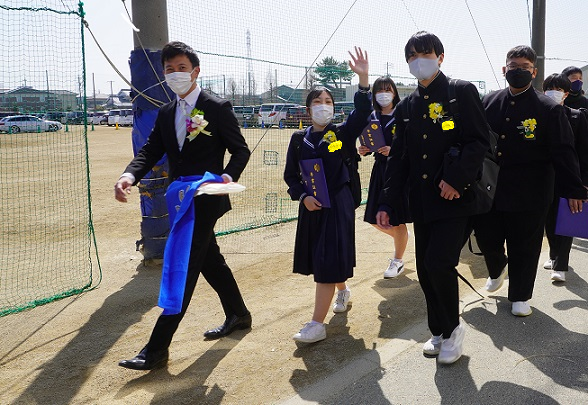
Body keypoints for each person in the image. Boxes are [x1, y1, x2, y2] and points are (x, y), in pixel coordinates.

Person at [114, 41, 251, 370]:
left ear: (195, 71)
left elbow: (240, 150)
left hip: (205, 199)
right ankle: (239, 314)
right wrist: (128, 176)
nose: (176, 74)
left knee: (184, 266)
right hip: (179, 200)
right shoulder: (166, 113)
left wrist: (225, 178)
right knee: (210, 260)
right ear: (164, 74)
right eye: (169, 69)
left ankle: (156, 349)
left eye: (181, 68)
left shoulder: (216, 107)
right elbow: (150, 151)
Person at [376, 31, 490, 364]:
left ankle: (453, 330)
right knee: (426, 270)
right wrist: (387, 202)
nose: (418, 61)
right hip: (423, 201)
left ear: (440, 57)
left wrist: (456, 179)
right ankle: (438, 330)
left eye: (424, 53)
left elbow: (478, 141)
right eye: (411, 56)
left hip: (455, 198)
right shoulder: (407, 105)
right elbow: (399, 157)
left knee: (439, 262)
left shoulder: (460, 92)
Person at [473, 46, 587, 318]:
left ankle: (521, 295)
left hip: (531, 190)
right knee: (486, 236)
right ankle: (497, 267)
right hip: (491, 188)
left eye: (524, 67)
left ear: (534, 72)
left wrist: (575, 189)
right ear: (504, 69)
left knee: (524, 245)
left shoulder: (549, 108)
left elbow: (563, 151)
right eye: (513, 66)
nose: (518, 71)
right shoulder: (489, 102)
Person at [283, 47, 372, 343]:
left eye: (328, 102)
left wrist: (363, 81)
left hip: (338, 203)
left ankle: (316, 324)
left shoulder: (342, 134)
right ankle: (342, 290)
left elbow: (362, 114)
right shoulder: (299, 140)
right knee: (324, 257)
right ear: (308, 110)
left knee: (326, 259)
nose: (324, 106)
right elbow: (290, 176)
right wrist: (302, 197)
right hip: (312, 206)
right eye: (317, 102)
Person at [357, 76, 410, 279]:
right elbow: (370, 143)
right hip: (379, 170)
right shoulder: (372, 117)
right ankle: (401, 237)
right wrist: (363, 150)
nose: (384, 94)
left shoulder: (403, 114)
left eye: (388, 90)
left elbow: (412, 143)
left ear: (394, 93)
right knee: (373, 218)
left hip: (398, 171)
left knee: (396, 219)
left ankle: (398, 260)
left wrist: (393, 150)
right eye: (379, 90)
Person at [542, 73, 588, 282]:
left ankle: (561, 265)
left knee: (567, 218)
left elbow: (584, 152)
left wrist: (583, 183)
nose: (554, 93)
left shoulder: (576, 116)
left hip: (569, 177)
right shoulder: (538, 115)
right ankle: (554, 255)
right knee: (549, 219)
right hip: (543, 178)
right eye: (549, 89)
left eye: (559, 89)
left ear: (566, 93)